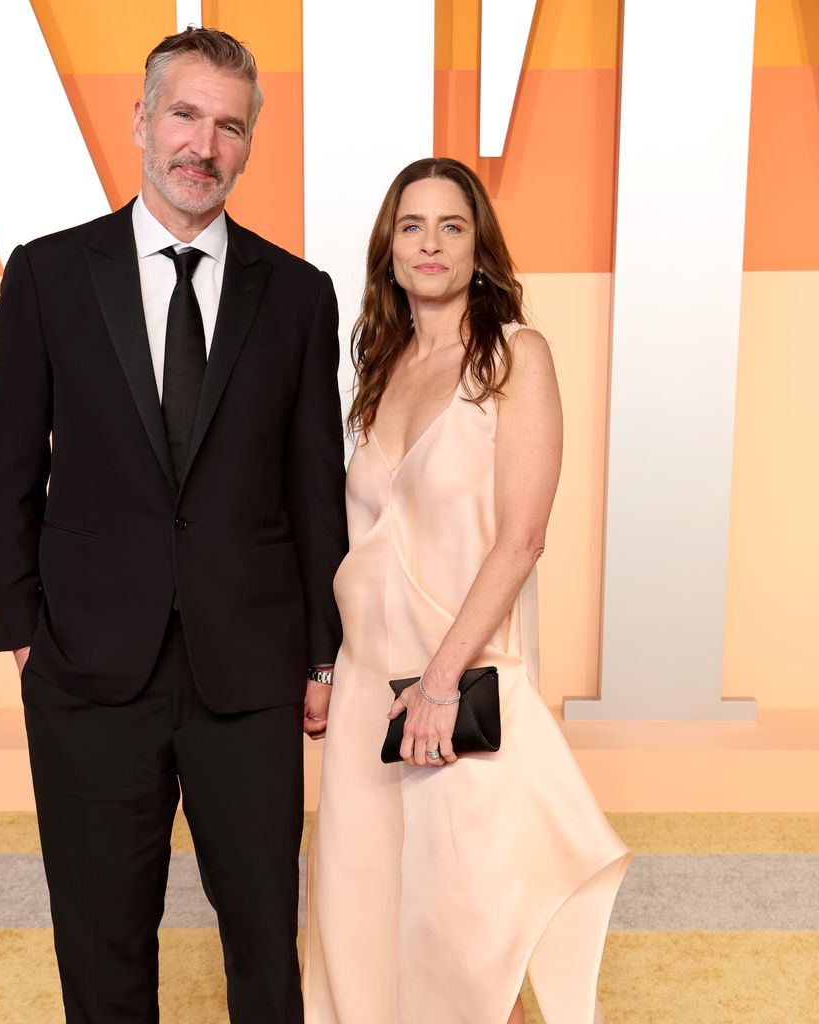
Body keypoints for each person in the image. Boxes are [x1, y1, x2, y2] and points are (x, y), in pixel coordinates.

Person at [0, 27, 346, 1024]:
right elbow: (9, 464)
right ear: (141, 120)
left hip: (252, 672)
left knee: (266, 943)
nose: (204, 144)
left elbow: (316, 488)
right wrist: (21, 633)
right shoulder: (50, 275)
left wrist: (321, 656)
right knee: (100, 942)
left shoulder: (300, 297)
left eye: (229, 126)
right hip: (87, 668)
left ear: (249, 144)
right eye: (185, 114)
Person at [304, 157, 630, 1024]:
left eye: (452, 225)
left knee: (466, 935)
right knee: (367, 923)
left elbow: (522, 535)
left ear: (478, 246)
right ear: (389, 248)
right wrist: (332, 675)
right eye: (412, 226)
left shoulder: (517, 355)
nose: (432, 242)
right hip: (372, 692)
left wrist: (441, 685)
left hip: (460, 688)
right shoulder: (382, 367)